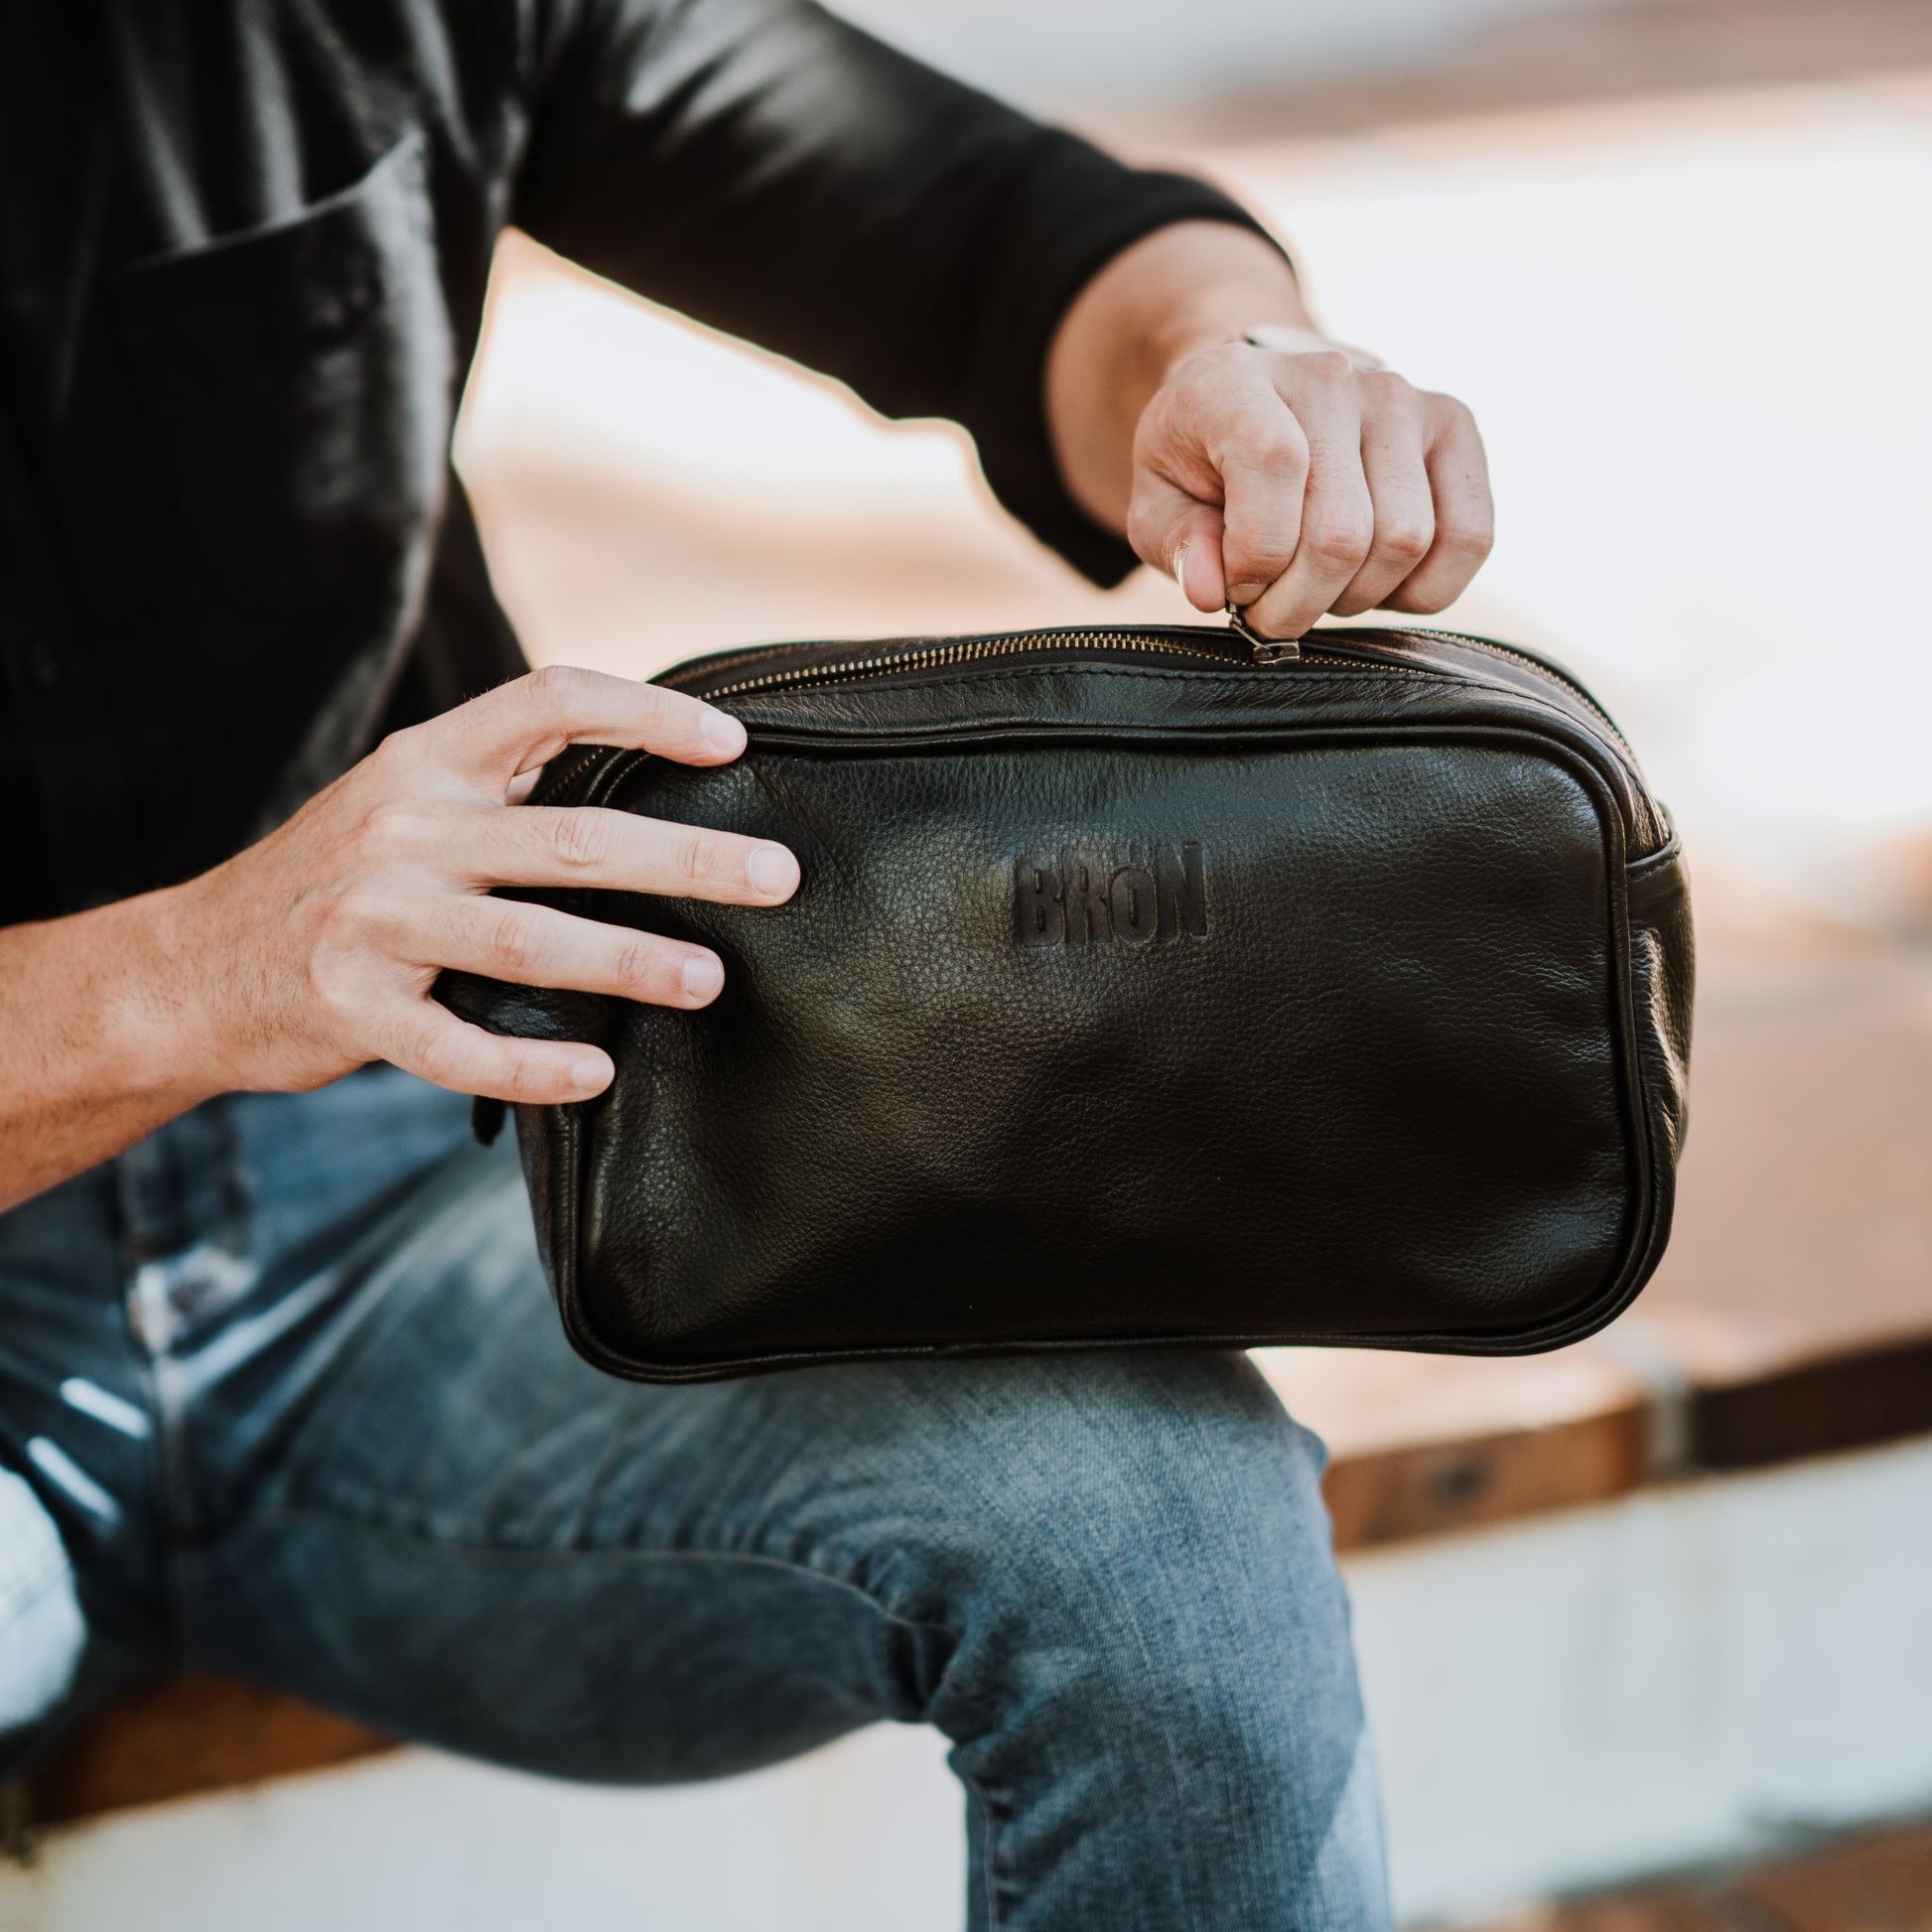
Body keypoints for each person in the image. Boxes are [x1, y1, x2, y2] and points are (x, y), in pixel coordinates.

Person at [0, 4, 1493, 1924]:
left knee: (1160, 1534)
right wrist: (187, 975)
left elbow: (998, 232)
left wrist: (1236, 360)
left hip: (443, 1175)